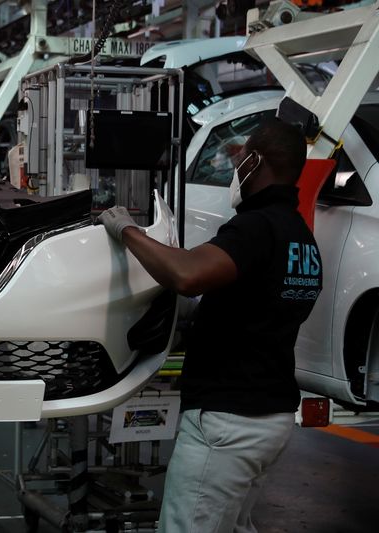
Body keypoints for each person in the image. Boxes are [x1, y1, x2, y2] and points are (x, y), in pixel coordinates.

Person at [98, 118, 322, 532]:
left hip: (228, 419)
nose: (235, 168)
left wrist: (125, 229)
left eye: (241, 157)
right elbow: (262, 305)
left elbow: (187, 274)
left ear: (255, 161)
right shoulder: (300, 236)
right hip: (270, 416)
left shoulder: (256, 227)